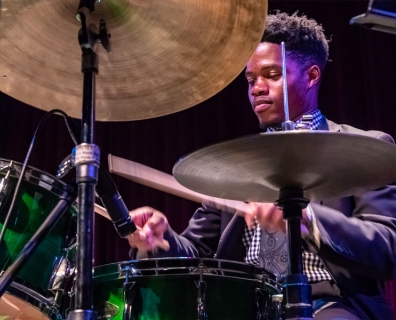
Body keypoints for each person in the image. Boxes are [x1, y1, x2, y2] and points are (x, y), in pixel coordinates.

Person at [126, 12, 396, 320]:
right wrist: (160, 238)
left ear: (311, 76)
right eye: (252, 80)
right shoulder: (233, 164)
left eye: (272, 75)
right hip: (244, 307)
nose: (257, 88)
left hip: (330, 304)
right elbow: (198, 255)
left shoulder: (363, 148)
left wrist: (307, 220)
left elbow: (388, 246)